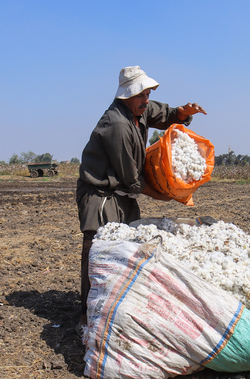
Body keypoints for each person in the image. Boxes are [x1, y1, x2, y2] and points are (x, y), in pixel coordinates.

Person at [75, 66, 206, 333]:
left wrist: (183, 113)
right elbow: (131, 178)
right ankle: (87, 314)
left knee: (128, 247)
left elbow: (166, 114)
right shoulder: (117, 125)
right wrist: (164, 196)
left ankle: (118, 308)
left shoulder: (140, 109)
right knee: (97, 248)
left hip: (123, 193)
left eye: (148, 94)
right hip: (101, 194)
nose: (146, 100)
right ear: (126, 96)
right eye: (142, 95)